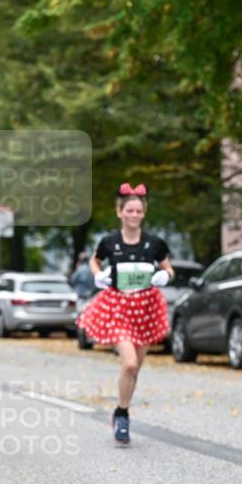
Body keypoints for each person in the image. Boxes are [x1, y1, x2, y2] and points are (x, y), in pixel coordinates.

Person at [76, 183, 175, 444]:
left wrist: (165, 275)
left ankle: (122, 410)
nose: (134, 215)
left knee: (135, 369)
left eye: (138, 211)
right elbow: (95, 260)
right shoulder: (110, 242)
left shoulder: (154, 243)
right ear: (119, 212)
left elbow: (168, 268)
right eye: (129, 211)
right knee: (129, 363)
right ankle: (122, 415)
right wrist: (98, 275)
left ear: (144, 213)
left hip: (146, 308)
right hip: (118, 306)